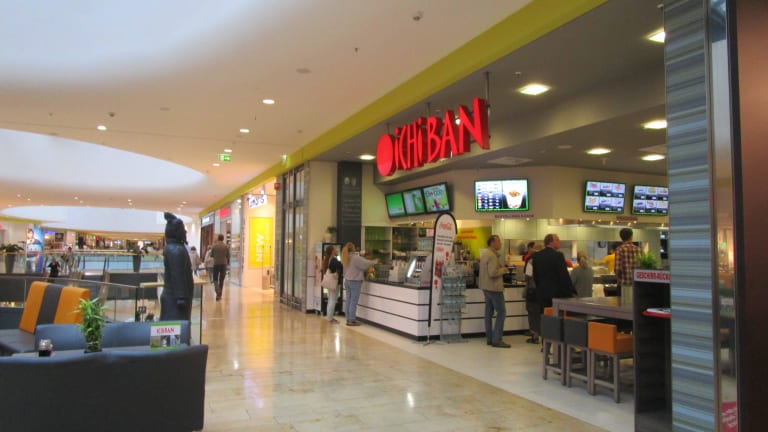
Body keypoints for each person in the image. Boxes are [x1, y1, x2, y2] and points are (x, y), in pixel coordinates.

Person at [532, 233, 575, 320]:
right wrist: (570, 291)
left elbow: (535, 276)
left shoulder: (537, 256)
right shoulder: (558, 256)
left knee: (544, 318)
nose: (559, 242)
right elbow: (564, 276)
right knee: (556, 320)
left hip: (542, 294)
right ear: (551, 242)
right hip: (556, 295)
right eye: (557, 240)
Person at [160, 212, 194, 321]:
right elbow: (177, 274)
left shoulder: (173, 247)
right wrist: (181, 297)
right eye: (183, 229)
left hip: (172, 297)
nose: (185, 232)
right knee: (176, 326)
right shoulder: (176, 249)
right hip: (175, 299)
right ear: (176, 231)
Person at [478, 234, 510, 348]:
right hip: (494, 288)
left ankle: (490, 338)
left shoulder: (485, 254)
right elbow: (492, 273)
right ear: (492, 243)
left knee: (488, 313)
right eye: (498, 241)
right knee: (501, 312)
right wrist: (503, 270)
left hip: (485, 287)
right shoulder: (492, 256)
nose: (500, 243)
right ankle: (497, 339)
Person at [340, 242, 376, 326]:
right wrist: (375, 261)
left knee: (348, 300)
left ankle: (348, 318)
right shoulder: (355, 258)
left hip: (347, 281)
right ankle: (352, 320)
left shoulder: (345, 257)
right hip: (355, 281)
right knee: (353, 301)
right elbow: (365, 264)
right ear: (353, 248)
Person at [614, 227, 641, 297]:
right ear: (631, 236)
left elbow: (617, 269)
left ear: (621, 237)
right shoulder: (638, 250)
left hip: (623, 284)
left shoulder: (619, 249)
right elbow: (641, 268)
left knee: (622, 302)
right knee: (635, 303)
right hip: (636, 285)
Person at [322, 245, 343, 323]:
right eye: (335, 249)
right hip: (334, 283)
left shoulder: (329, 260)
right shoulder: (334, 260)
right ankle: (330, 318)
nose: (336, 250)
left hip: (330, 283)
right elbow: (340, 267)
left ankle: (329, 317)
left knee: (331, 299)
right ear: (332, 251)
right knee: (333, 300)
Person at [523, 246, 539, 344]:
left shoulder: (531, 262)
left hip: (532, 291)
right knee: (541, 313)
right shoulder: (543, 262)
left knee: (532, 313)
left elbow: (527, 277)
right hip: (542, 291)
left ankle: (534, 335)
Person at [210, 234, 230, 301]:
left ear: (218, 238)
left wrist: (216, 256)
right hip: (223, 264)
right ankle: (219, 294)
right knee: (221, 279)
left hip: (216, 263)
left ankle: (217, 291)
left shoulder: (214, 246)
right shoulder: (226, 246)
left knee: (215, 278)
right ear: (223, 239)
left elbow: (211, 255)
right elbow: (228, 255)